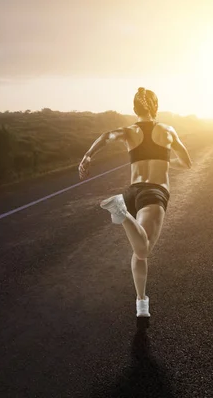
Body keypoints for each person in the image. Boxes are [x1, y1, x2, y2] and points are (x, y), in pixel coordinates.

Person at [78, 87, 192, 317]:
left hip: (133, 192)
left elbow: (106, 137)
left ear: (134, 108)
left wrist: (87, 155)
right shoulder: (168, 130)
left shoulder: (129, 132)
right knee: (145, 248)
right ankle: (122, 213)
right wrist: (167, 167)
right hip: (153, 193)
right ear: (156, 107)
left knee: (138, 251)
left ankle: (141, 303)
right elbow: (186, 162)